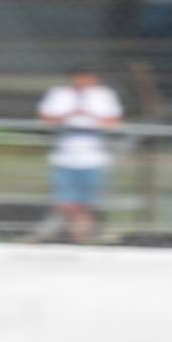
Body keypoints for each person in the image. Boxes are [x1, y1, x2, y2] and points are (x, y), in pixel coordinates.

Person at [35, 68, 122, 242]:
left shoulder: (104, 95)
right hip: (65, 154)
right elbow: (44, 118)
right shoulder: (59, 94)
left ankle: (81, 236)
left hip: (93, 156)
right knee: (66, 201)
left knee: (87, 201)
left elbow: (114, 122)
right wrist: (68, 115)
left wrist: (89, 115)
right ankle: (71, 233)